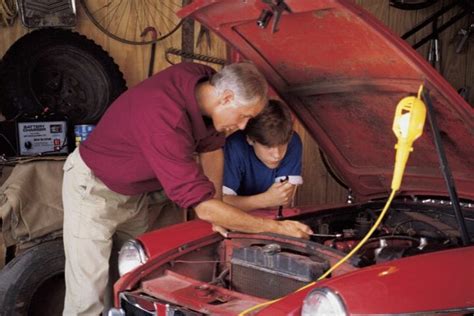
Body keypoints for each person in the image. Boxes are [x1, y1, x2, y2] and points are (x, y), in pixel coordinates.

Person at [61, 62, 313, 315]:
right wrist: (276, 227)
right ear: (226, 98)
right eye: (244, 115)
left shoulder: (202, 81)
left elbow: (212, 149)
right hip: (94, 188)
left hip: (137, 193)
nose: (245, 126)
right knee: (87, 295)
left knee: (142, 281)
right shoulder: (164, 117)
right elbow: (202, 207)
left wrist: (219, 204)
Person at [223, 100, 303, 211]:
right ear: (250, 139)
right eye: (268, 147)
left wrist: (242, 203)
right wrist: (264, 200)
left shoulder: (293, 141)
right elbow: (220, 205)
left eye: (282, 145)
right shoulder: (234, 146)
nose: (277, 155)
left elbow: (282, 203)